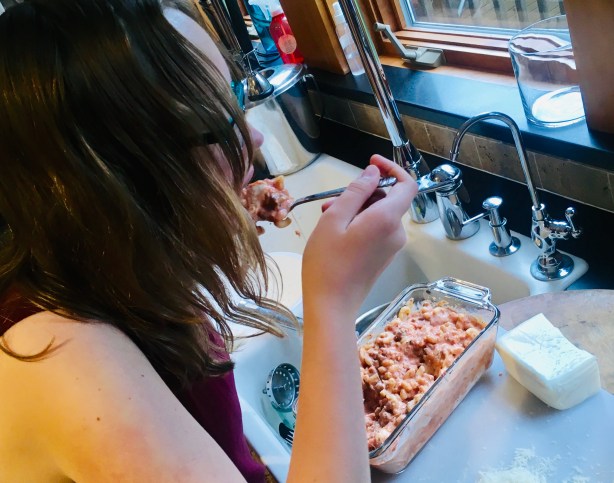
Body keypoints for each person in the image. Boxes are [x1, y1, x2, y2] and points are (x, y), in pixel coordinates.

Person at [0, 1, 418, 482]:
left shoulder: (122, 273)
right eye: (220, 118)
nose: (255, 137)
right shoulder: (63, 360)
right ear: (117, 173)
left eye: (235, 100)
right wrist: (333, 301)